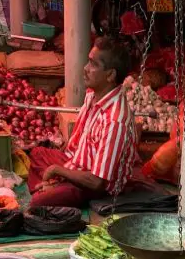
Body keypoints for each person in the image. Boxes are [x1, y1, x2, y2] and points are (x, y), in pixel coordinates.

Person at [29, 37, 137, 209]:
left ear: (111, 75)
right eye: (88, 61)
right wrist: (63, 170)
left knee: (38, 202)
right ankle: (48, 188)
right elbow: (75, 147)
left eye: (93, 64)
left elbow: (97, 182)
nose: (85, 68)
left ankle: (47, 191)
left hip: (95, 187)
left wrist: (59, 171)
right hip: (78, 165)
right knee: (37, 153)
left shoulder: (115, 120)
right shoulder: (92, 95)